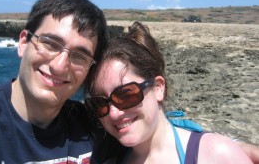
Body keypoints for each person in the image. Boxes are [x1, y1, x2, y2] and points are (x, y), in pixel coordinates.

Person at [0, 0, 121, 163]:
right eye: (50, 43)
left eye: (80, 56)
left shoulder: (94, 127)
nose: (59, 66)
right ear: (23, 43)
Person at [85, 21, 254, 163]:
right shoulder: (107, 156)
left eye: (125, 94)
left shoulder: (215, 155)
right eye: (99, 103)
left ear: (158, 87)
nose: (113, 114)